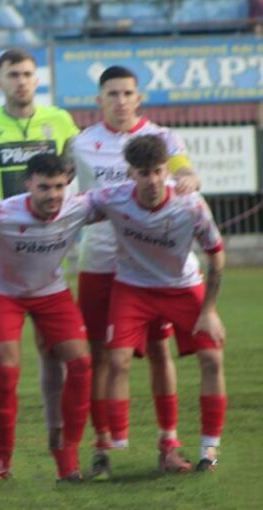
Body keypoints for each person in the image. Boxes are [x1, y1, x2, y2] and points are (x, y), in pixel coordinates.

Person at [68, 65, 201, 477]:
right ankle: (102, 448)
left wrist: (188, 177)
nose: (121, 100)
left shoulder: (164, 137)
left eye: (127, 93)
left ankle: (169, 443)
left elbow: (183, 169)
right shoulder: (81, 143)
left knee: (160, 349)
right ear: (99, 100)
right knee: (99, 355)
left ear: (139, 98)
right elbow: (58, 188)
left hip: (148, 265)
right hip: (99, 259)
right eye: (112, 93)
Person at [0, 48, 80, 454]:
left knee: (52, 349)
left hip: (45, 251)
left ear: (36, 79)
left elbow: (73, 167)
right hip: (1, 252)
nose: (21, 81)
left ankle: (56, 432)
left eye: (27, 74)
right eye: (13, 74)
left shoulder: (60, 120)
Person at [92, 135, 227, 474]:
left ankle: (210, 451)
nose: (152, 180)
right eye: (143, 173)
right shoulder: (112, 198)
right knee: (117, 361)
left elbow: (217, 256)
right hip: (133, 288)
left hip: (183, 287)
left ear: (166, 170)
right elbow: (67, 210)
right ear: (131, 174)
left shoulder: (191, 204)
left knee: (212, 358)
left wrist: (209, 310)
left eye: (157, 171)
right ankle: (118, 448)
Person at [0, 153, 95, 481]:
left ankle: (67, 457)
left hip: (50, 290)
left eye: (59, 186)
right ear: (28, 184)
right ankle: (0, 459)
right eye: (44, 187)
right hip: (3, 292)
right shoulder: (0, 213)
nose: (53, 195)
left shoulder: (79, 206)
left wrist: (181, 183)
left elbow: (122, 196)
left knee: (82, 365)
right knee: (7, 368)